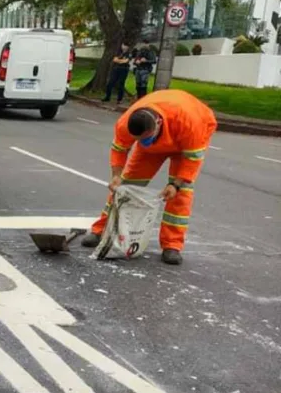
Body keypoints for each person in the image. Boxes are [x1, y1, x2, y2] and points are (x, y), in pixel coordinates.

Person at [80, 90, 217, 266]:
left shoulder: (189, 123)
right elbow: (119, 149)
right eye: (138, 140)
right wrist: (116, 176)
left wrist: (175, 185)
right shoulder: (125, 124)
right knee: (126, 188)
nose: (142, 142)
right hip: (153, 148)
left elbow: (192, 160)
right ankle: (102, 230)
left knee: (180, 195)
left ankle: (172, 245)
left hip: (185, 144)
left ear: (158, 123)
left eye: (146, 139)